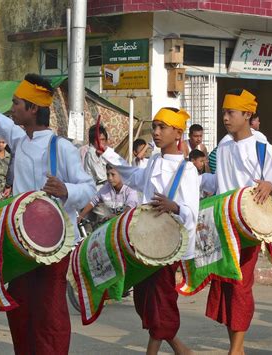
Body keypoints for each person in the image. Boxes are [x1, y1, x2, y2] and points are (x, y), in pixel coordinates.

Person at [0, 73, 95, 355]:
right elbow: (8, 128)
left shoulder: (62, 148)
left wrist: (65, 189)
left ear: (33, 109)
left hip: (54, 244)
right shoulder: (21, 141)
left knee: (49, 312)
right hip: (20, 243)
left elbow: (90, 189)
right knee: (20, 309)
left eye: (17, 103)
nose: (13, 108)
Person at [99, 107, 200, 355]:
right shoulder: (154, 160)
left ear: (177, 133)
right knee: (146, 300)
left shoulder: (186, 170)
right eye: (154, 126)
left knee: (160, 300)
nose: (155, 132)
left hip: (167, 245)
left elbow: (192, 213)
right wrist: (107, 152)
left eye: (161, 127)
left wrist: (174, 206)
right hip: (144, 241)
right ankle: (180, 348)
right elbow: (135, 176)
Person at [204, 89, 272, 355]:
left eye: (231, 113)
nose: (225, 118)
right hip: (223, 225)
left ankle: (236, 349)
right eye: (224, 112)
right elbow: (217, 183)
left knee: (240, 286)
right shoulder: (223, 147)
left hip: (249, 230)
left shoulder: (263, 149)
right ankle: (235, 346)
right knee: (227, 285)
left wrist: (270, 186)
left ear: (247, 115)